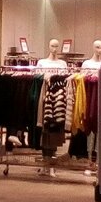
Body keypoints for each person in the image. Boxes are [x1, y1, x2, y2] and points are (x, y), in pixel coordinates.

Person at [36, 39, 67, 175]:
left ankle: (52, 165)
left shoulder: (62, 64)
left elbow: (66, 80)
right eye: (52, 46)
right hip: (45, 98)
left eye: (56, 46)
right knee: (45, 129)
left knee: (55, 129)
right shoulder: (42, 63)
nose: (54, 48)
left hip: (58, 99)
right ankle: (45, 163)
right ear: (49, 46)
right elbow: (37, 79)